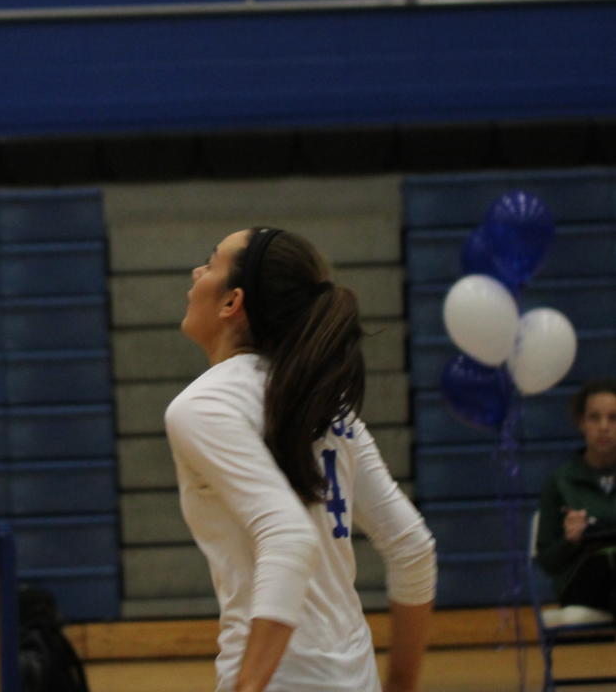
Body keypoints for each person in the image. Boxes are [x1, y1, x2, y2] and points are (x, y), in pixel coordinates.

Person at [163, 226, 437, 692]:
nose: (196, 272)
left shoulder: (204, 405)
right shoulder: (326, 406)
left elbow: (288, 536)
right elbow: (413, 548)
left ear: (233, 302)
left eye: (211, 264)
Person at [535, 377, 616, 619]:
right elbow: (547, 561)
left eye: (614, 418)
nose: (604, 426)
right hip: (582, 583)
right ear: (581, 423)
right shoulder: (560, 482)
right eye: (595, 417)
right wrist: (570, 541)